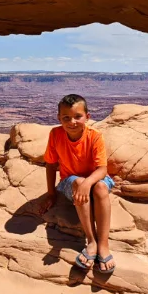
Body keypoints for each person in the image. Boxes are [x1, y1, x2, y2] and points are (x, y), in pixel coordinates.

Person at [40, 94, 116, 274]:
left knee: (100, 186)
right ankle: (91, 241)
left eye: (77, 116)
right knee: (79, 182)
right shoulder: (55, 134)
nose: (72, 122)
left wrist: (87, 183)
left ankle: (103, 245)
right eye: (66, 117)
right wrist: (51, 194)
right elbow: (51, 165)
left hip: (93, 179)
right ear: (59, 118)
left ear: (87, 117)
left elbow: (102, 170)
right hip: (71, 181)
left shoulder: (94, 136)